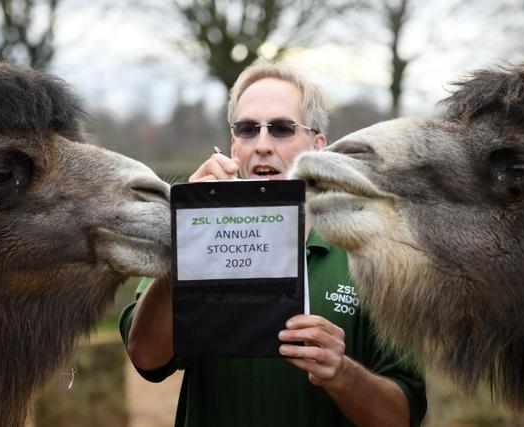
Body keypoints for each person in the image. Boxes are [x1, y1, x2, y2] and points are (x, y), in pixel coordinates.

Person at [120, 62, 427, 427]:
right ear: (234, 145)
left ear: (318, 146)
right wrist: (187, 234)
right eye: (248, 130)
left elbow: (402, 416)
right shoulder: (194, 236)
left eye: (282, 129)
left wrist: (341, 373)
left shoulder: (372, 252)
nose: (262, 145)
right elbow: (146, 357)